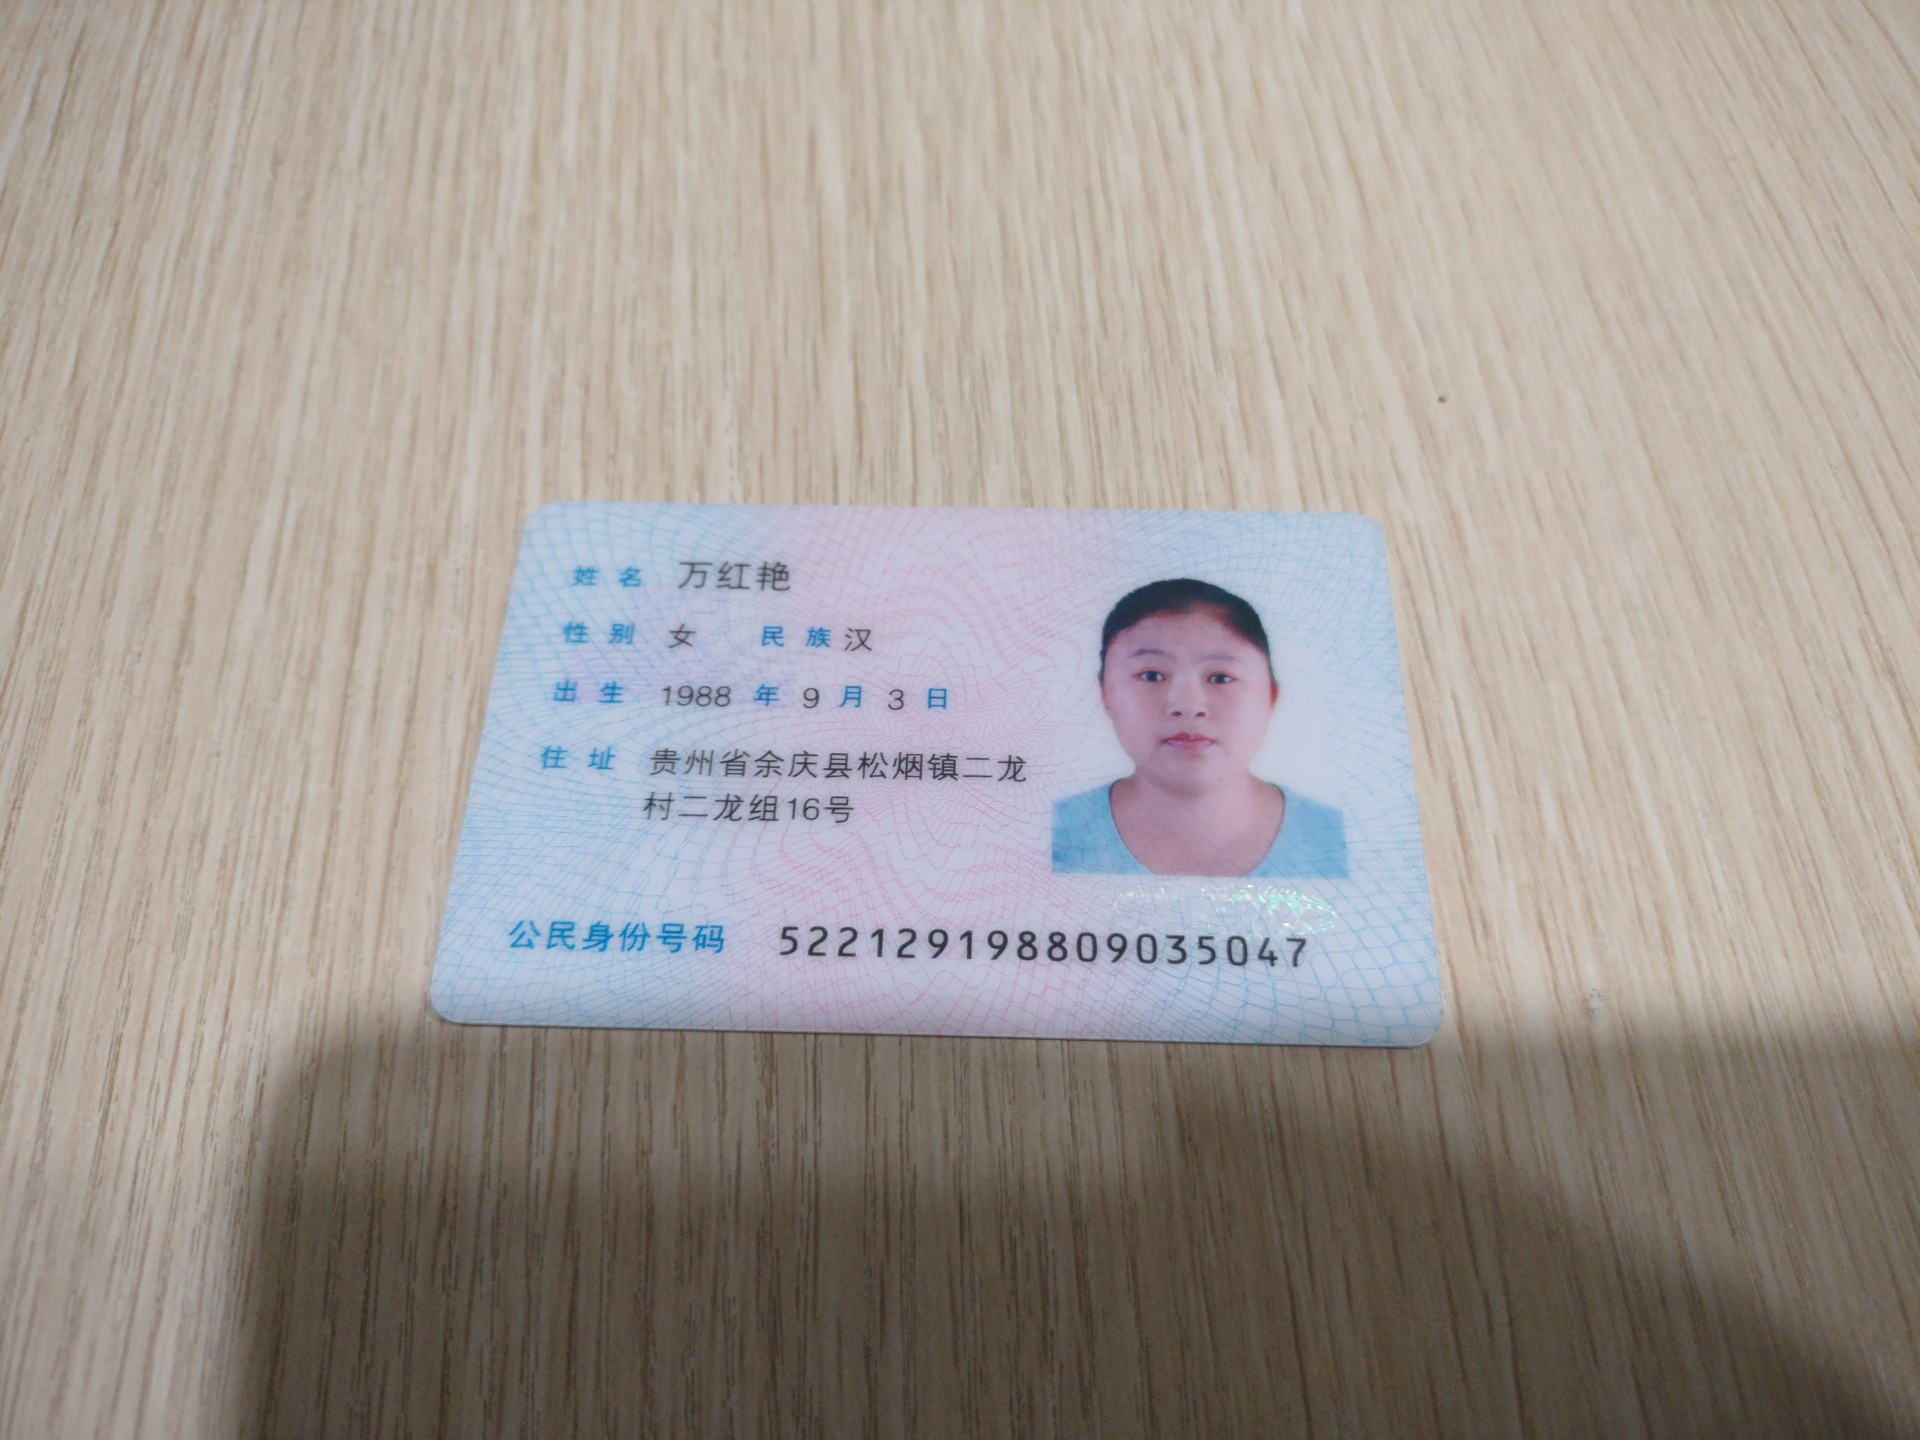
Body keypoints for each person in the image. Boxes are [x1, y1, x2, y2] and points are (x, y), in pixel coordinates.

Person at [1051, 579, 1346, 877]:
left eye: (1220, 678)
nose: (1188, 705)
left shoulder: (1337, 840)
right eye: (1151, 675)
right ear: (1105, 692)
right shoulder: (1051, 833)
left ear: (1270, 695)